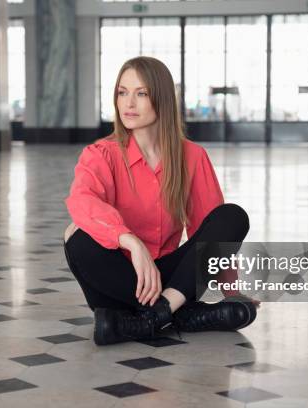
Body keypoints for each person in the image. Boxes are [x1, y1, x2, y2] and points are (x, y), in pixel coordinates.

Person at [63, 56, 259, 346]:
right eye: (122, 92)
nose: (128, 103)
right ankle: (183, 315)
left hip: (168, 278)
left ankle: (151, 317)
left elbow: (211, 235)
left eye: (141, 93)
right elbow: (82, 200)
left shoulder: (192, 156)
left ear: (162, 99)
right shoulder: (101, 153)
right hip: (119, 280)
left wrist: (232, 292)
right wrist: (130, 241)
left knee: (232, 216)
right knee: (78, 238)